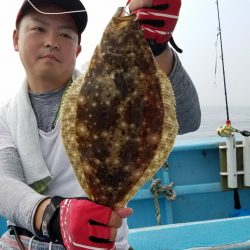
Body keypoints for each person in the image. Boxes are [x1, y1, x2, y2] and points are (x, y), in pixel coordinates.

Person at [0, 0, 201, 249]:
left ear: (78, 49)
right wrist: (51, 216)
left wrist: (157, 48)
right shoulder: (5, 115)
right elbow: (4, 181)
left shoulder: (108, 82)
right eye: (39, 29)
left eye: (64, 33)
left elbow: (188, 119)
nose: (51, 41)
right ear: (16, 39)